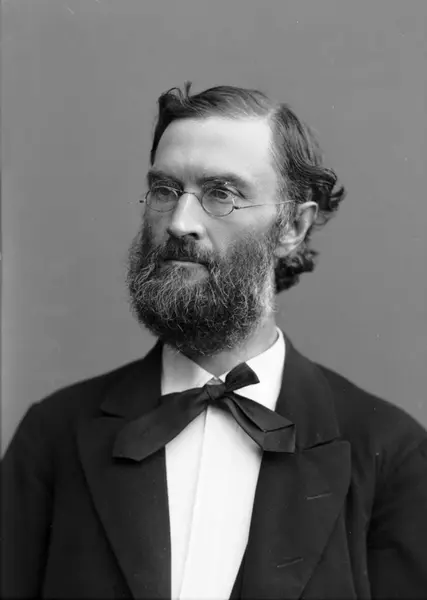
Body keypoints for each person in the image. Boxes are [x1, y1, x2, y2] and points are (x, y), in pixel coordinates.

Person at [2, 83, 427, 600]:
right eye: (165, 190)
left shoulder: (390, 452)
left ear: (293, 226)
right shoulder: (53, 435)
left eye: (221, 194)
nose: (180, 222)